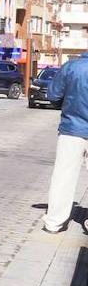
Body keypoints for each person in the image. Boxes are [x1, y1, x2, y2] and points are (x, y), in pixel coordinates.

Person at [41, 54, 88, 233]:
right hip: (73, 128)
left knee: (64, 177)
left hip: (71, 130)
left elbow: (53, 95)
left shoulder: (71, 67)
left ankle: (54, 222)